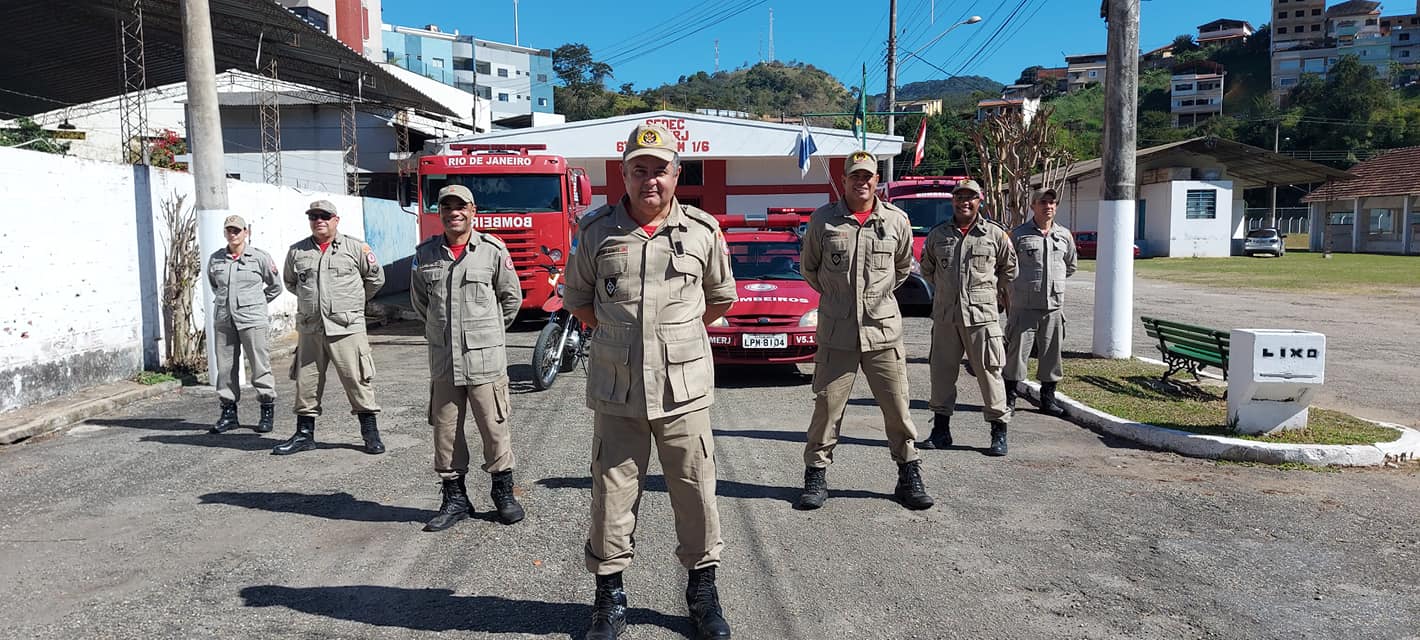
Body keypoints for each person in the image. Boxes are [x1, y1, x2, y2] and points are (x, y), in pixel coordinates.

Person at [563, 123, 736, 640]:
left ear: (676, 174)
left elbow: (719, 298)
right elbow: (579, 300)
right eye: (640, 170)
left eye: (660, 170)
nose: (650, 180)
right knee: (612, 494)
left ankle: (703, 594)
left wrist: (672, 341)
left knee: (696, 492)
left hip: (684, 393)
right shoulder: (596, 232)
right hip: (618, 391)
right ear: (624, 174)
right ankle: (608, 597)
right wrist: (626, 341)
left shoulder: (703, 231)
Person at [796, 151, 933, 512]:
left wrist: (875, 296)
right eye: (855, 176)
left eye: (868, 176)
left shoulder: (896, 220)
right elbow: (810, 269)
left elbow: (902, 268)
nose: (862, 181)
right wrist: (840, 298)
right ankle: (815, 474)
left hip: (882, 330)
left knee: (897, 407)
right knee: (826, 407)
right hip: (837, 332)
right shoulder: (824, 220)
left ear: (876, 180)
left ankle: (908, 473)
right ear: (844, 180)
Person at [410, 184, 526, 532]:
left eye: (460, 207)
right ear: (440, 213)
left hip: (485, 362)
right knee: (446, 433)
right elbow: (421, 304)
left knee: (494, 429)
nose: (453, 213)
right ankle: (455, 500)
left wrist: (486, 335)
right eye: (446, 207)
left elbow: (511, 299)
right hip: (445, 362)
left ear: (473, 210)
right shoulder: (426, 254)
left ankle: (503, 494)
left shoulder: (491, 251)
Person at [273, 200, 386, 456]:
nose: (319, 220)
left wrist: (352, 304)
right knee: (307, 383)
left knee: (358, 381)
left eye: (324, 216)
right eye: (313, 216)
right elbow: (292, 283)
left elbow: (375, 279)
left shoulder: (355, 248)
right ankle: (304, 435)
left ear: (336, 219)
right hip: (312, 329)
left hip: (347, 328)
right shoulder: (297, 252)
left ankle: (370, 434)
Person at [917, 179, 1018, 456]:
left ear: (980, 200)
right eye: (959, 196)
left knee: (989, 372)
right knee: (941, 374)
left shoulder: (994, 235)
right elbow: (928, 269)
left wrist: (990, 293)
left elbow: (1009, 270)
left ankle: (998, 431)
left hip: (981, 317)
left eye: (970, 197)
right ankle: (940, 431)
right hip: (946, 317)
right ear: (952, 201)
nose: (965, 201)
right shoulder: (939, 235)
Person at [1004, 188, 1077, 417]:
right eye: (1043, 202)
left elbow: (1071, 265)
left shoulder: (1064, 235)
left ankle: (1048, 399)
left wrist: (1052, 284)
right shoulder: (1019, 235)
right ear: (1033, 206)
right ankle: (1010, 398)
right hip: (1024, 307)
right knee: (1016, 356)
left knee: (1051, 356)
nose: (1048, 206)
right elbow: (1005, 267)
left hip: (1053, 307)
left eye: (1052, 203)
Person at [206, 214, 282, 434]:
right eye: (229, 230)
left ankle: (266, 411)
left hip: (252, 320)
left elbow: (275, 286)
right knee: (226, 368)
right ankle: (229, 413)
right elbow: (215, 286)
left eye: (237, 230)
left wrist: (256, 304)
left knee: (260, 365)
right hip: (224, 320)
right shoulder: (216, 259)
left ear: (245, 232)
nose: (232, 234)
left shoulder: (259, 258)